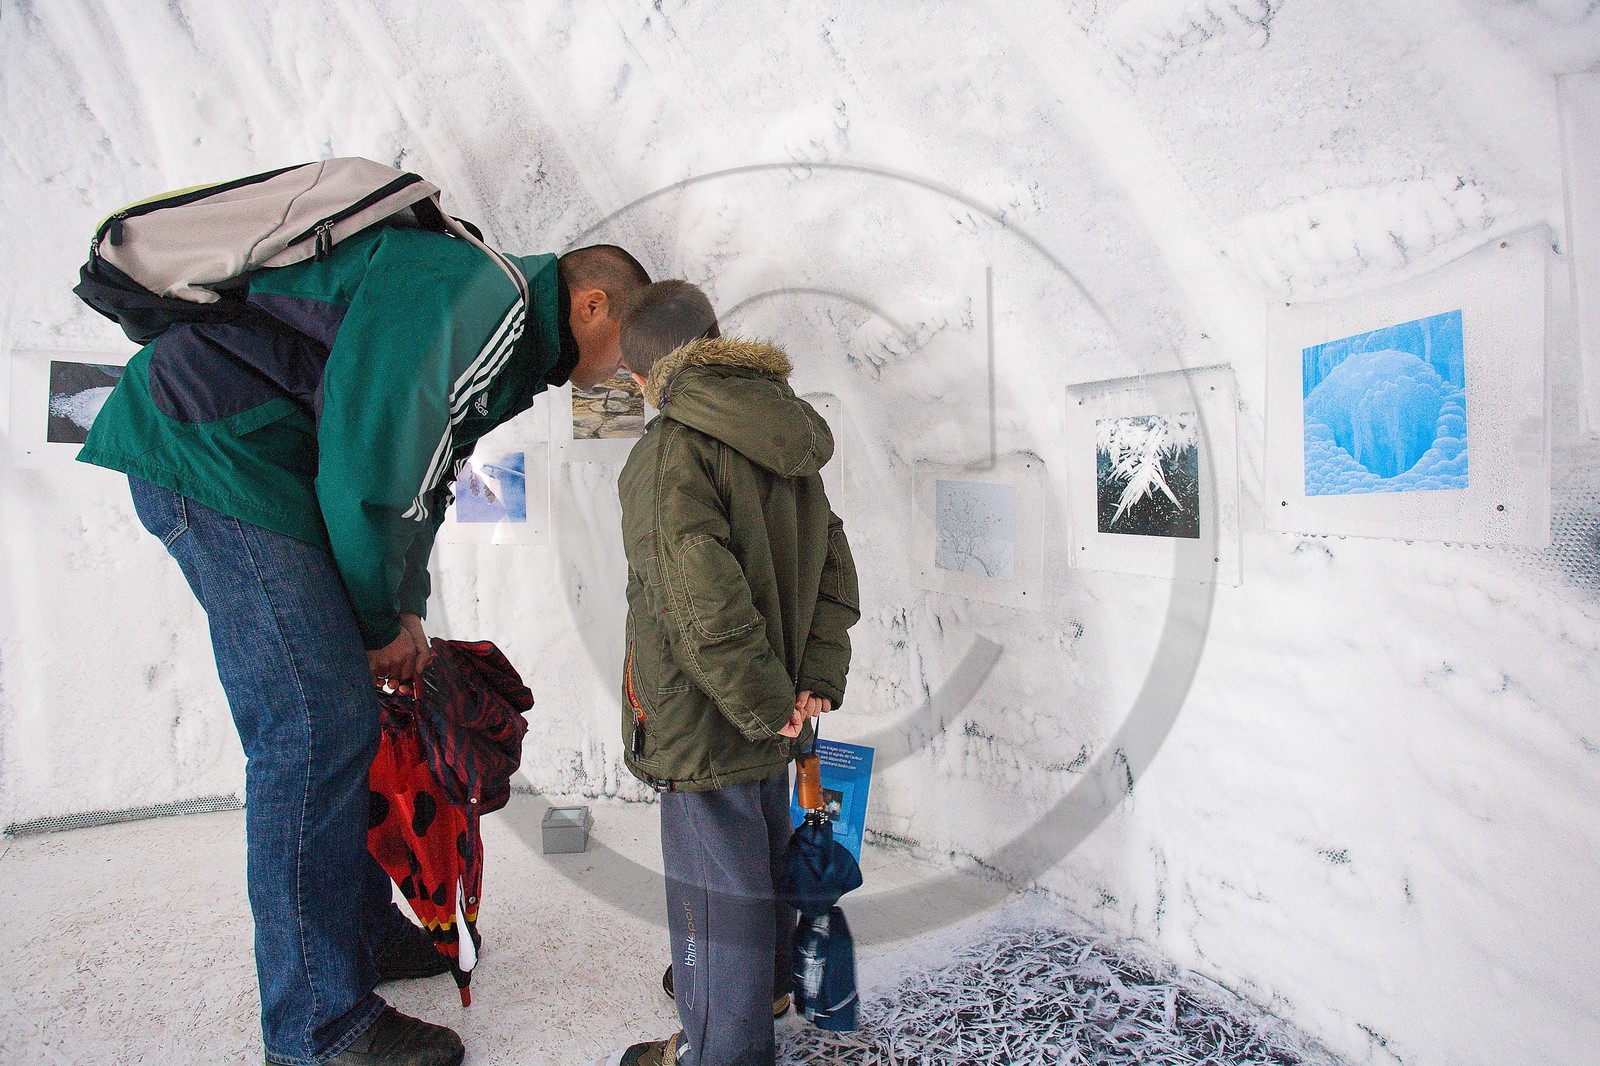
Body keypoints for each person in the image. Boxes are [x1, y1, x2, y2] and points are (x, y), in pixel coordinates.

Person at [78, 225, 651, 1066]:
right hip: (219, 451)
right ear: (592, 303)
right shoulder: (481, 299)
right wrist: (379, 622)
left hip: (262, 461)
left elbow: (425, 472)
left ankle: (355, 933)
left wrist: (403, 608)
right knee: (310, 729)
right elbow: (369, 464)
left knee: (336, 719)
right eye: (628, 345)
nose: (625, 370)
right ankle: (318, 1024)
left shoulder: (504, 333)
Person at [606, 281, 860, 1066]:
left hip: (706, 714)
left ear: (646, 377)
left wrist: (761, 703)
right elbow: (834, 562)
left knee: (715, 891)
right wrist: (806, 683)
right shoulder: (782, 434)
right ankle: (771, 982)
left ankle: (720, 1046)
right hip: (774, 697)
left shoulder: (667, 454)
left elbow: (696, 602)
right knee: (764, 848)